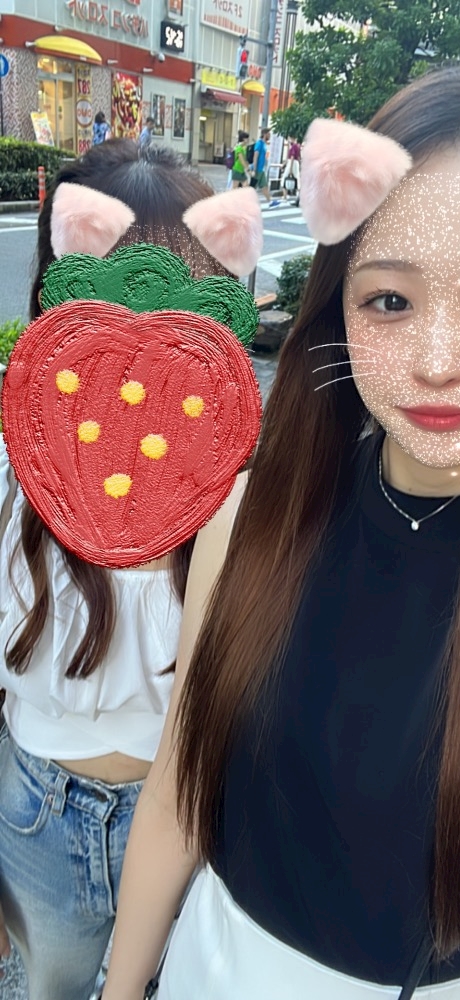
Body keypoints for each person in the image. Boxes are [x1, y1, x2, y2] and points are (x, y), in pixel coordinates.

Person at [103, 64, 460, 1000]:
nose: (438, 363)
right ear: (338, 309)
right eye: (390, 299)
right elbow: (180, 790)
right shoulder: (257, 517)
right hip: (206, 966)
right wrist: (120, 988)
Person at [0, 140, 252, 1000]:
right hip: (34, 814)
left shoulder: (236, 501)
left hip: (188, 826)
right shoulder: (12, 484)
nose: (139, 353)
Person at [251, 127, 281, 207]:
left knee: (264, 186)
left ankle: (270, 202)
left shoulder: (264, 144)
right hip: (257, 169)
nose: (270, 135)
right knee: (252, 188)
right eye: (268, 134)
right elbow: (255, 156)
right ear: (264, 134)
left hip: (261, 169)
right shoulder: (259, 143)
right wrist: (254, 169)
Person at [281, 134, 301, 200]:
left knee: (284, 178)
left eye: (289, 138)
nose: (288, 140)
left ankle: (285, 196)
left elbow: (292, 157)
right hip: (296, 163)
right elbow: (299, 157)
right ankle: (299, 196)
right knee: (297, 179)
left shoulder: (293, 146)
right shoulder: (298, 146)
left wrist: (290, 169)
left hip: (292, 163)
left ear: (292, 138)